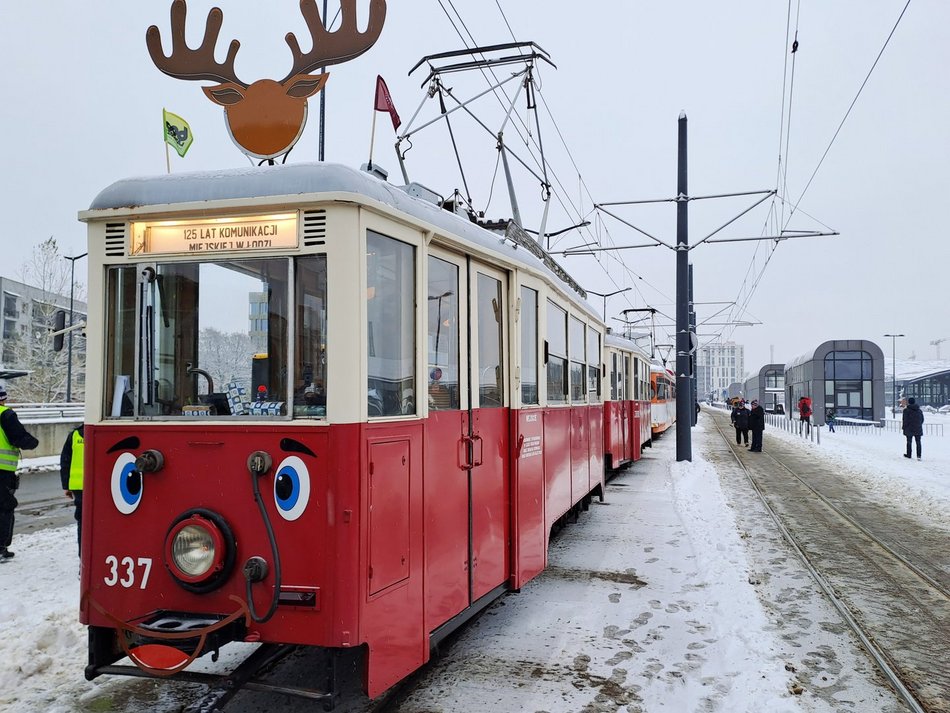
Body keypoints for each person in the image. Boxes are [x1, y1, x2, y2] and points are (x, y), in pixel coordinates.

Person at [0, 388, 40, 560]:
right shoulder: (6, 415)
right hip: (2, 471)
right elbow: (19, 437)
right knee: (5, 507)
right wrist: (33, 442)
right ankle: (1, 547)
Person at [60, 424, 84, 556]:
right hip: (98, 487)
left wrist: (66, 486)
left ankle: (83, 557)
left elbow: (65, 461)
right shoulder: (102, 435)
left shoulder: (74, 436)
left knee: (82, 522)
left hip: (78, 486)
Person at [902, 396, 924, 460]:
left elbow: (905, 420)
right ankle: (919, 455)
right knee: (918, 442)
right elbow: (922, 419)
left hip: (909, 428)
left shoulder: (906, 410)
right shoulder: (919, 410)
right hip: (918, 428)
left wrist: (904, 427)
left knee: (909, 442)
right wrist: (919, 424)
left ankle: (909, 454)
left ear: (908, 402)